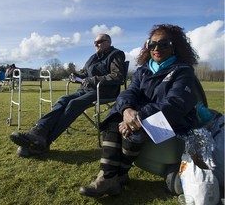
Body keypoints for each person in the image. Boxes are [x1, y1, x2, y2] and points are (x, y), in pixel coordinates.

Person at [79, 24, 200, 197]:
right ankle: (107, 177)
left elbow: (176, 103)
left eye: (163, 44)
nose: (157, 48)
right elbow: (129, 92)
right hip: (142, 116)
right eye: (152, 44)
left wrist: (138, 116)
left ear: (175, 46)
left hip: (173, 121)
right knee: (114, 117)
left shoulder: (182, 71)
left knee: (138, 128)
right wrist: (127, 110)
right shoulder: (143, 70)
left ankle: (118, 175)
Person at [10, 33, 126, 158]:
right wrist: (75, 75)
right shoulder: (93, 58)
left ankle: (44, 141)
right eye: (94, 42)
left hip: (103, 91)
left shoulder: (116, 54)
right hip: (85, 89)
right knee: (63, 99)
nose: (95, 44)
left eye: (99, 41)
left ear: (108, 42)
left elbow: (117, 76)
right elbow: (83, 73)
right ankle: (38, 131)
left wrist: (93, 79)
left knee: (73, 104)